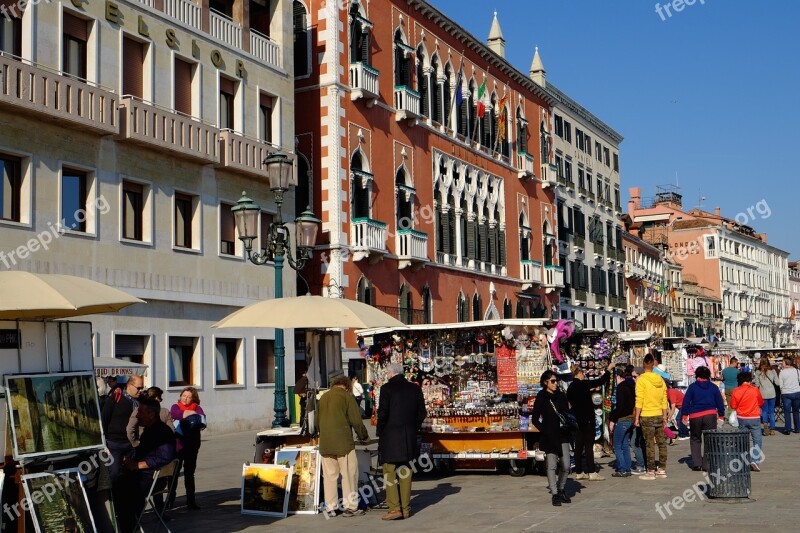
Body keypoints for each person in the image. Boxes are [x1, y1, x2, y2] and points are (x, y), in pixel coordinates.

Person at [113, 399, 176, 533]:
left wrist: (137, 465)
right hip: (144, 477)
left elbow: (165, 456)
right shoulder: (149, 430)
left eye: (140, 412)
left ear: (151, 414)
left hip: (152, 480)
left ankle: (130, 526)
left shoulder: (163, 432)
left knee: (120, 490)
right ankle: (130, 523)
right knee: (116, 482)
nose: (137, 416)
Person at [376, 363, 426, 521]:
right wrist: (413, 427)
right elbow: (421, 412)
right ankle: (405, 508)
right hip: (408, 437)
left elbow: (383, 413)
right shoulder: (415, 388)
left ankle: (394, 508)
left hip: (390, 437)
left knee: (390, 472)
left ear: (390, 374)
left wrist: (380, 430)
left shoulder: (386, 389)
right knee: (406, 472)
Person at [317, 374, 369, 517]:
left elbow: (316, 422)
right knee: (349, 475)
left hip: (326, 443)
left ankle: (330, 507)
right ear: (347, 386)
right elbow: (356, 420)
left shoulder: (323, 398)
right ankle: (350, 507)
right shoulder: (347, 397)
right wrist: (363, 436)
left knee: (329, 477)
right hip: (344, 443)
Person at [567, 361, 614, 481]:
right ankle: (592, 472)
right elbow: (600, 381)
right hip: (587, 420)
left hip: (577, 421)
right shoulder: (583, 384)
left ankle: (579, 471)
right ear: (578, 374)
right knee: (588, 446)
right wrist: (608, 369)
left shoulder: (570, 387)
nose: (584, 375)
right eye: (582, 373)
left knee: (578, 447)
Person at [531, 370, 572, 507]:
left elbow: (567, 412)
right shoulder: (541, 397)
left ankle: (561, 488)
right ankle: (555, 493)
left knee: (566, 465)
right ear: (545, 382)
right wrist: (545, 431)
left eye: (556, 381)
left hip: (563, 434)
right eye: (553, 381)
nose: (555, 384)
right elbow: (535, 419)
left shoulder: (561, 396)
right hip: (550, 436)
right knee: (552, 465)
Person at [169, 387, 206, 510]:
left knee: (189, 474)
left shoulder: (198, 408)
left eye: (188, 396)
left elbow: (202, 420)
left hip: (192, 446)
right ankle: (170, 501)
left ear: (193, 398)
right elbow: (176, 414)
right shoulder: (175, 406)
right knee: (173, 475)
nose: (185, 398)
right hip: (177, 446)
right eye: (183, 395)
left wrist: (192, 415)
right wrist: (190, 414)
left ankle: (191, 502)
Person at [682, 365, 725, 471]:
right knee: (709, 439)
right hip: (710, 415)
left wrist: (684, 415)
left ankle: (696, 463)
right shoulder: (713, 387)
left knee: (695, 438)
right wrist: (721, 415)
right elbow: (720, 401)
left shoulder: (692, 387)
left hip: (695, 416)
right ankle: (707, 465)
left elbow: (686, 401)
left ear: (697, 375)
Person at [102, 375, 144, 480]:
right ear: (129, 385)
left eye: (142, 388)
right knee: (114, 473)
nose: (140, 391)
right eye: (138, 388)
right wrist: (103, 443)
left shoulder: (141, 402)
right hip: (114, 443)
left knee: (130, 474)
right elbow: (104, 419)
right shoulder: (116, 398)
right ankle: (114, 495)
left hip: (132, 444)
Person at [634, 354, 668, 480]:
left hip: (647, 415)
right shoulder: (660, 380)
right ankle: (662, 469)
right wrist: (664, 416)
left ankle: (650, 471)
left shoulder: (641, 380)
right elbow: (664, 399)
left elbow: (639, 400)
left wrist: (637, 418)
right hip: (659, 414)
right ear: (653, 366)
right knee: (662, 443)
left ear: (643, 365)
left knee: (649, 444)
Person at [730, 371, 764, 471]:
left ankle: (743, 461)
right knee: (757, 440)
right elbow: (761, 402)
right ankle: (755, 460)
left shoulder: (736, 391)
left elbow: (733, 406)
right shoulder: (755, 390)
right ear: (749, 380)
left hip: (742, 418)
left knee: (743, 440)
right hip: (754, 417)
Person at [608, 368, 635, 477]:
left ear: (618, 377)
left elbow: (620, 407)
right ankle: (627, 468)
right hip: (630, 419)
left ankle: (623, 469)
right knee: (624, 445)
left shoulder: (621, 388)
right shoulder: (630, 386)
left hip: (622, 419)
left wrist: (612, 419)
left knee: (617, 445)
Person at [753, 357, 779, 435]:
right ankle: (772, 429)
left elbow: (757, 384)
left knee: (764, 411)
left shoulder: (758, 372)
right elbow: (777, 383)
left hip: (763, 394)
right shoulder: (773, 371)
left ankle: (765, 424)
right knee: (771, 411)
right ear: (768, 362)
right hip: (772, 393)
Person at [779, 357, 800, 434]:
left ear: (786, 363)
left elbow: (780, 384)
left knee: (787, 412)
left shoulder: (782, 372)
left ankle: (788, 429)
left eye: (783, 362)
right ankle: (797, 428)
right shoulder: (797, 371)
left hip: (786, 393)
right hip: (797, 392)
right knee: (796, 411)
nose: (782, 363)